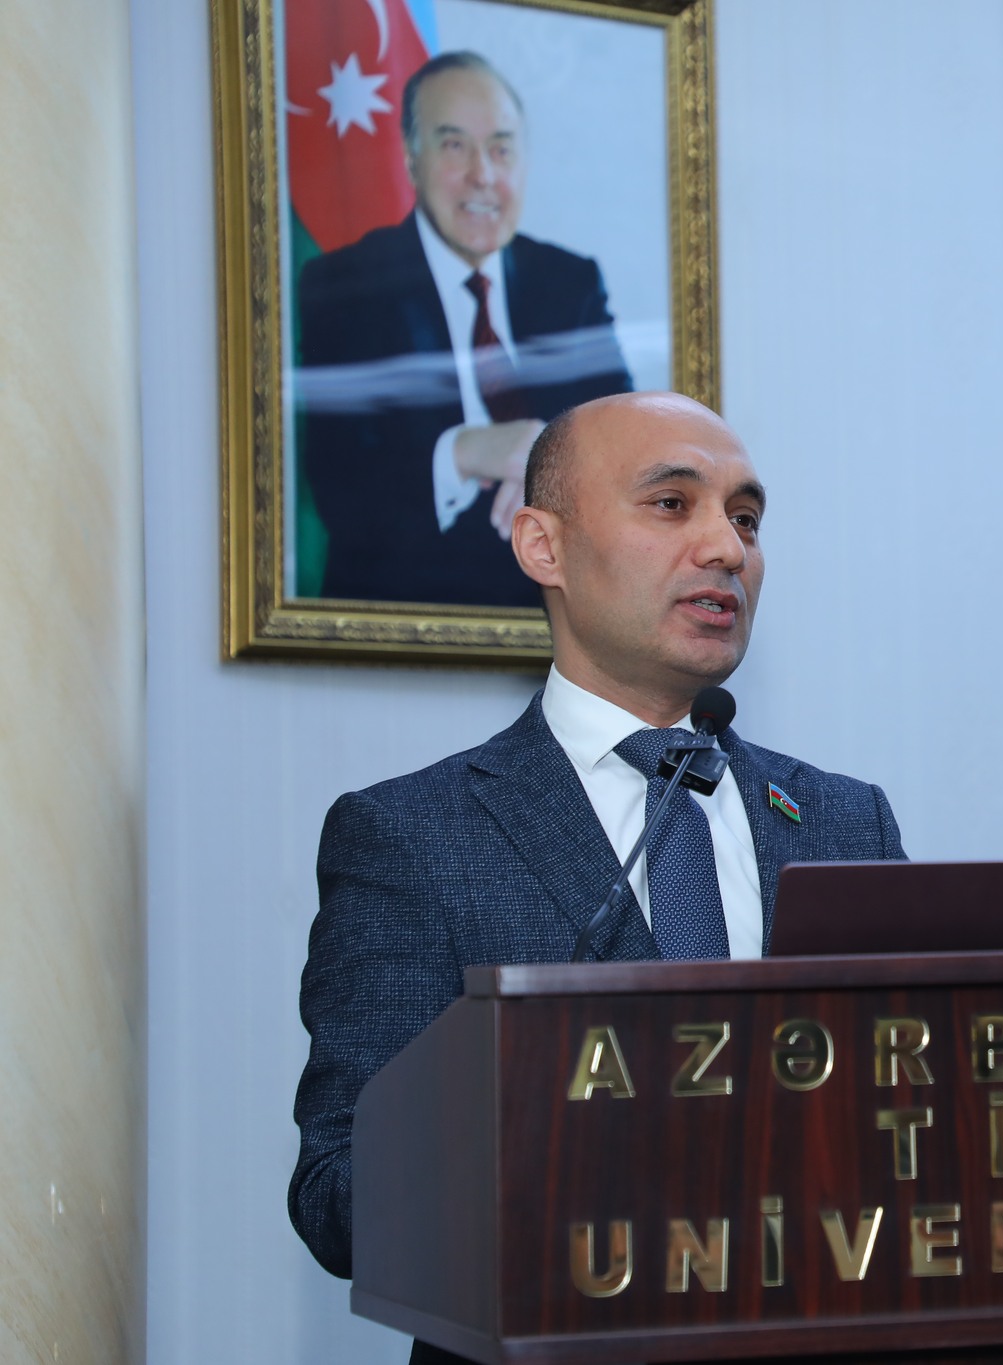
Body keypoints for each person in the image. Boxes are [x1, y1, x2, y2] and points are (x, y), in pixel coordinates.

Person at [288, 394, 907, 1364]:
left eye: (746, 519)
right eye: (671, 504)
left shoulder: (844, 823)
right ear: (543, 546)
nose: (727, 548)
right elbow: (341, 1198)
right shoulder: (413, 838)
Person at [296, 51, 633, 607]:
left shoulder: (569, 282)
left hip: (553, 621)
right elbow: (342, 491)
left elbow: (625, 460)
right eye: (454, 146)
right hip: (396, 617)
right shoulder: (344, 286)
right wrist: (463, 452)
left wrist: (543, 465)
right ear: (411, 159)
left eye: (501, 149)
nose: (484, 175)